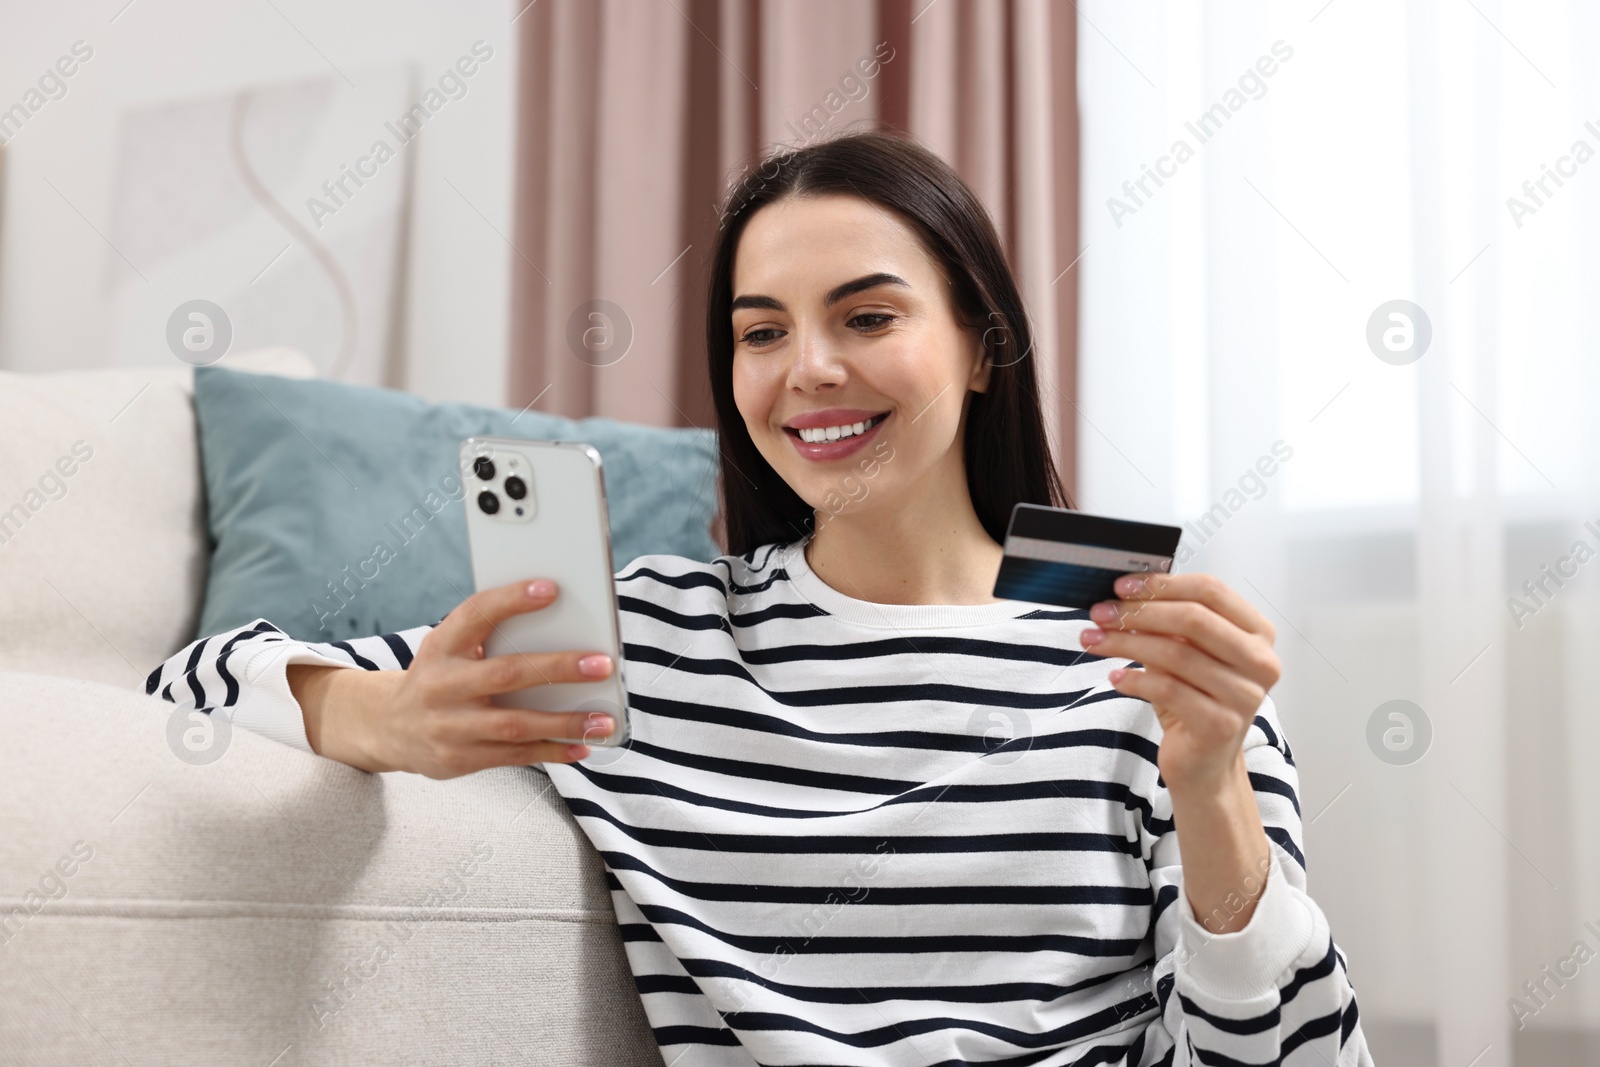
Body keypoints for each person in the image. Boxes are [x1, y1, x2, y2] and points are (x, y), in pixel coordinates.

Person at [148, 130, 1371, 1065]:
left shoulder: (1148, 662)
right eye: (760, 330)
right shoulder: (649, 638)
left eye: (868, 315)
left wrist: (1210, 786)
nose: (809, 371)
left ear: (983, 343)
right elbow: (189, 681)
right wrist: (379, 719)